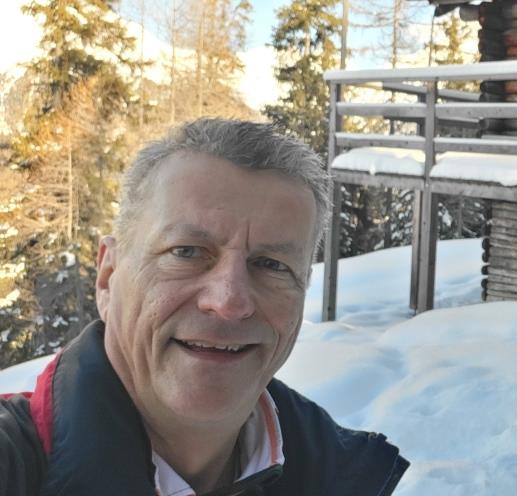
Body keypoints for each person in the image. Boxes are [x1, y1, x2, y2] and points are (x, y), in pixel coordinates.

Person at [0, 119, 409, 495]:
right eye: (186, 251)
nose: (229, 301)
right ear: (108, 277)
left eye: (271, 265)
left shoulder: (341, 477)